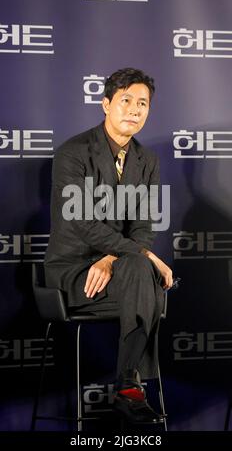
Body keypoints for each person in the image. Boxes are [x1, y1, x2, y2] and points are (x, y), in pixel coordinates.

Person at [44, 67, 173, 424]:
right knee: (147, 276)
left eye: (143, 103)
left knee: (140, 273)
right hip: (72, 270)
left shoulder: (148, 160)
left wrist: (116, 257)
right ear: (106, 104)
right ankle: (131, 386)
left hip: (119, 273)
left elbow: (145, 228)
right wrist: (141, 255)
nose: (135, 109)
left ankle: (126, 383)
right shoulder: (73, 153)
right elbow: (80, 221)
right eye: (126, 100)